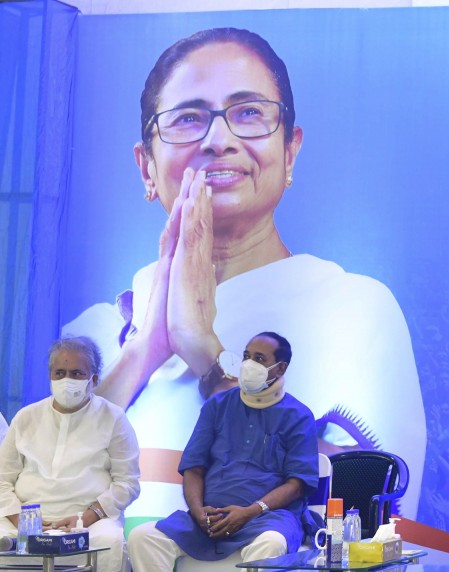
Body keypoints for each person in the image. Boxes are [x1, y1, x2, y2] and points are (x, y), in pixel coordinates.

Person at [61, 26, 424, 521]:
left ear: (290, 151)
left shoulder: (352, 311)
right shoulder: (95, 333)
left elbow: (366, 516)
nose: (219, 140)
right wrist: (143, 353)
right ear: (146, 166)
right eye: (188, 118)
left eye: (249, 113)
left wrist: (205, 354)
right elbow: (49, 490)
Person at [127, 332, 319, 569]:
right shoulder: (217, 405)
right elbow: (193, 468)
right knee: (143, 537)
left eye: (259, 359)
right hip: (209, 518)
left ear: (280, 368)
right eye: (246, 356)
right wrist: (198, 512)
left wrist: (251, 511)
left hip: (266, 519)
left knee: (271, 543)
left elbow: (298, 484)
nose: (249, 364)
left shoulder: (298, 415)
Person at [0, 336, 140, 572]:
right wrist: (21, 520)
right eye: (60, 373)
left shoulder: (114, 418)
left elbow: (128, 483)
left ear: (94, 379)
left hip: (90, 522)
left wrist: (86, 518)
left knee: (109, 543)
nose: (67, 380)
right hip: (25, 521)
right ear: (50, 376)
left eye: (76, 373)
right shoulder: (26, 417)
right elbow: (2, 479)